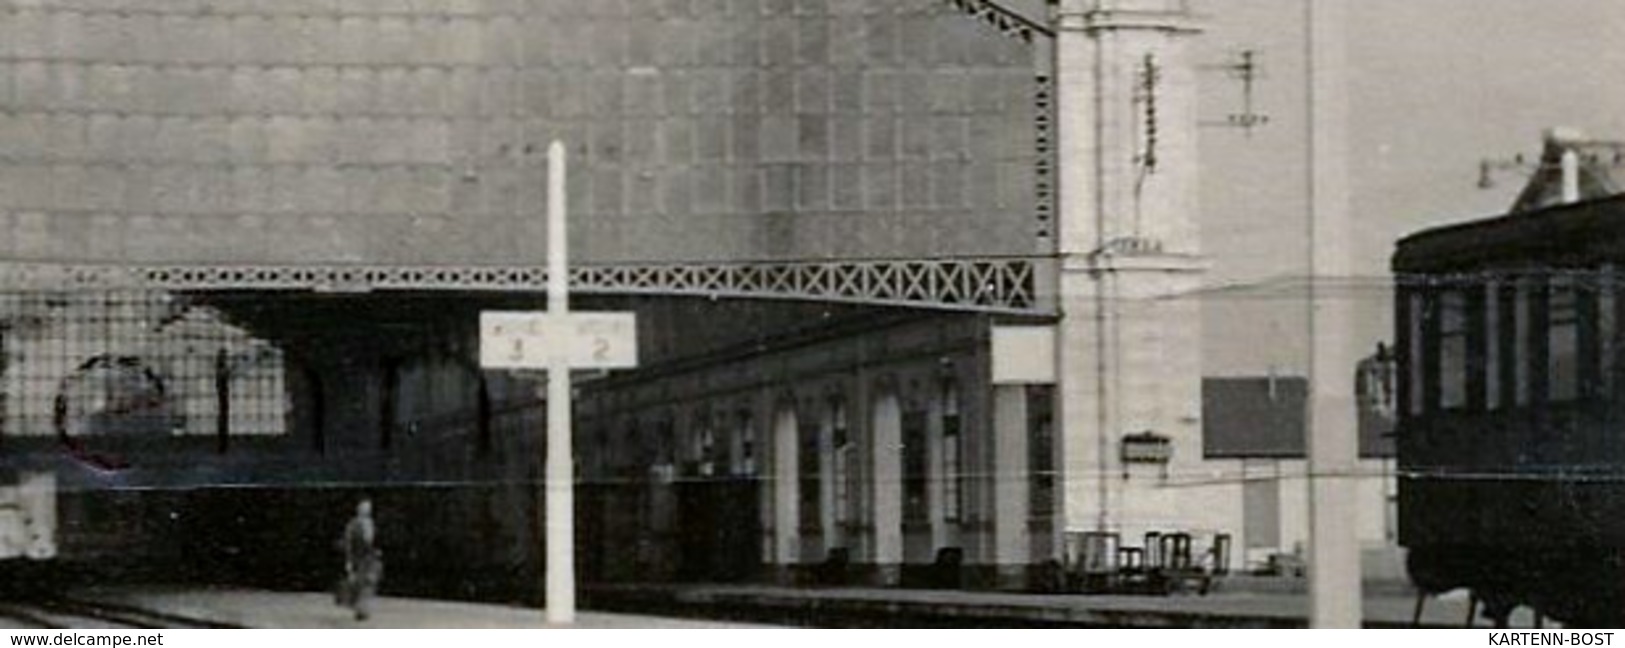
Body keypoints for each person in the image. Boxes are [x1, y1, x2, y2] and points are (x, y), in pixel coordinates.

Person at [341, 498, 381, 621]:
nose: (367, 510)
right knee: (359, 584)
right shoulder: (352, 524)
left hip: (370, 558)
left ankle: (363, 609)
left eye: (368, 508)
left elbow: (372, 541)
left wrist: (376, 551)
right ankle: (359, 609)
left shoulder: (371, 523)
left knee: (369, 583)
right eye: (364, 508)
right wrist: (348, 561)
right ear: (358, 509)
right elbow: (348, 543)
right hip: (358, 558)